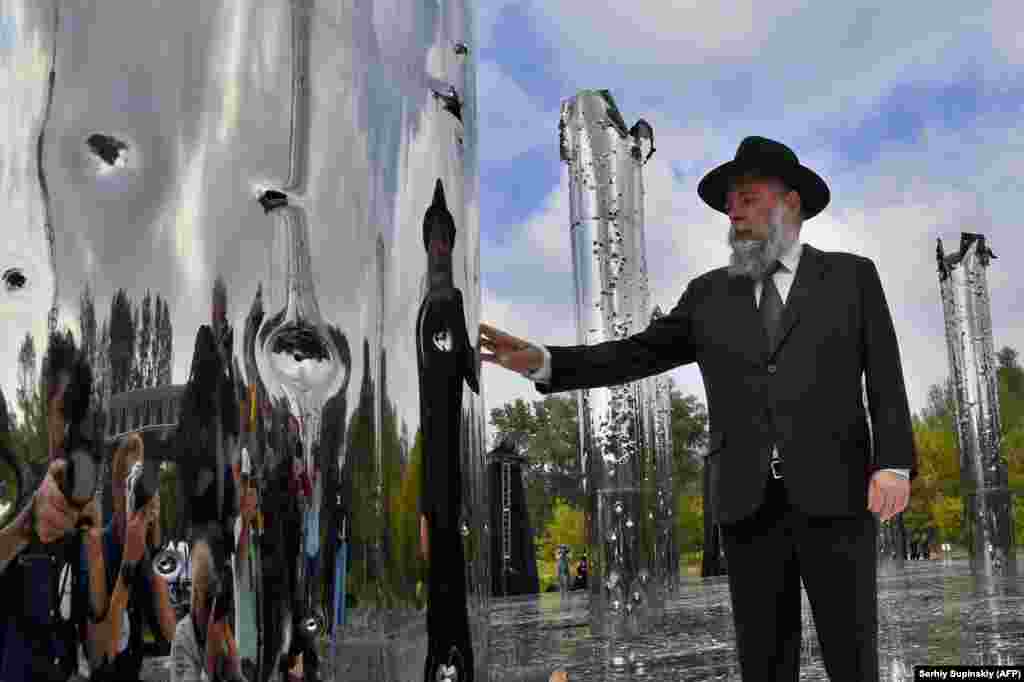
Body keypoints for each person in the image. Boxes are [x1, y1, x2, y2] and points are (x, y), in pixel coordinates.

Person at [480, 136, 916, 681]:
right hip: (746, 504)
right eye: (730, 203)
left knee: (853, 654)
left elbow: (885, 377)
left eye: (749, 198)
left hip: (837, 494)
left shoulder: (852, 277)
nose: (735, 211)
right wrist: (545, 362)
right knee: (762, 659)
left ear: (791, 203)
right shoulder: (709, 295)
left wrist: (894, 463)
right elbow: (636, 353)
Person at [0, 331, 105, 681]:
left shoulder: (87, 505)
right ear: (46, 410)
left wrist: (94, 547)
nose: (71, 432)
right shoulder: (16, 485)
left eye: (79, 417)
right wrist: (28, 524)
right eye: (64, 413)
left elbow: (100, 647)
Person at [82, 432, 177, 680]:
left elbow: (169, 633)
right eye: (131, 484)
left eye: (143, 483)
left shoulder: (153, 550)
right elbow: (100, 654)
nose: (140, 493)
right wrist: (128, 563)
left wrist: (154, 542)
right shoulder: (98, 546)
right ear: (117, 492)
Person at [170, 534, 246, 682]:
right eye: (208, 601)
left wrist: (237, 674)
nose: (211, 612)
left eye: (216, 603)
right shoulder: (185, 636)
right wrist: (210, 664)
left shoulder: (230, 627)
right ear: (196, 596)